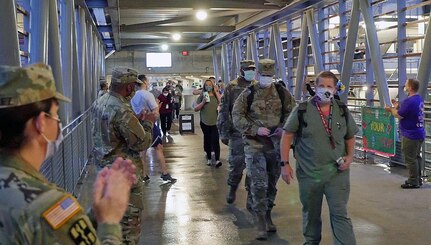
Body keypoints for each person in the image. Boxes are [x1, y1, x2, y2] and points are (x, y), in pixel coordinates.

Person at [0, 63, 136, 244]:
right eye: (56, 115)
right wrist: (109, 221)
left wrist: (93, 216)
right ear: (40, 123)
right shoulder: (48, 207)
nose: (59, 123)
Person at [280, 70, 358, 245]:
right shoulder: (302, 110)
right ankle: (311, 241)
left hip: (337, 174)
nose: (325, 89)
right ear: (315, 88)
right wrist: (284, 164)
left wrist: (350, 157)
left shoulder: (342, 110)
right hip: (309, 174)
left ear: (336, 89)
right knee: (311, 213)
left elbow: (350, 137)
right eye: (321, 86)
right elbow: (287, 135)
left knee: (340, 214)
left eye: (329, 86)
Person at [232, 59, 295, 240]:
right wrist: (254, 129)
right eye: (264, 75)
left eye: (270, 75)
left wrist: (284, 127)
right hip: (254, 145)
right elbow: (237, 115)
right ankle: (260, 219)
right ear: (258, 75)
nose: (267, 78)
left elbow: (292, 112)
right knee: (259, 182)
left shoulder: (282, 92)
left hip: (275, 146)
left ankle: (267, 213)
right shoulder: (248, 93)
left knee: (272, 183)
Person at [93, 67, 156, 243]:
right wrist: (149, 124)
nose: (134, 91)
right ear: (128, 88)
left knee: (111, 225)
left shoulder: (101, 101)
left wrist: (135, 121)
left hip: (104, 172)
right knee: (128, 232)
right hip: (124, 177)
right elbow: (141, 143)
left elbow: (113, 130)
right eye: (133, 87)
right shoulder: (122, 110)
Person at [217, 60, 257, 205]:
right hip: (237, 133)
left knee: (254, 167)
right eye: (248, 69)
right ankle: (232, 188)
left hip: (254, 134)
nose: (251, 72)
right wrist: (224, 132)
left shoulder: (257, 86)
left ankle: (251, 196)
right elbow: (224, 111)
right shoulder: (232, 87)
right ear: (241, 70)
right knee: (236, 165)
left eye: (253, 69)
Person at [131, 74, 176, 183]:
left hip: (137, 124)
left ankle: (144, 175)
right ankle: (164, 173)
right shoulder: (148, 95)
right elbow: (155, 113)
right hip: (149, 125)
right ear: (144, 82)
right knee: (159, 148)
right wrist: (158, 106)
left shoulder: (132, 96)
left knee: (142, 151)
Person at [385, 78, 425, 188]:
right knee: (416, 157)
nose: (405, 86)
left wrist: (391, 109)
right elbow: (407, 111)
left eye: (406, 84)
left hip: (410, 134)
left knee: (410, 158)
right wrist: (397, 105)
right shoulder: (418, 99)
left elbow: (399, 115)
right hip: (419, 132)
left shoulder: (409, 101)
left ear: (410, 87)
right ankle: (418, 178)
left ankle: (413, 181)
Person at [195, 79, 222, 167]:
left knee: (215, 140)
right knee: (207, 139)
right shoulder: (202, 95)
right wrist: (203, 102)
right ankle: (209, 158)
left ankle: (217, 159)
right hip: (205, 122)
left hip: (215, 122)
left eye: (210, 84)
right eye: (206, 85)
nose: (208, 86)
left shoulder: (215, 95)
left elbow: (221, 103)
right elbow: (196, 108)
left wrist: (217, 92)